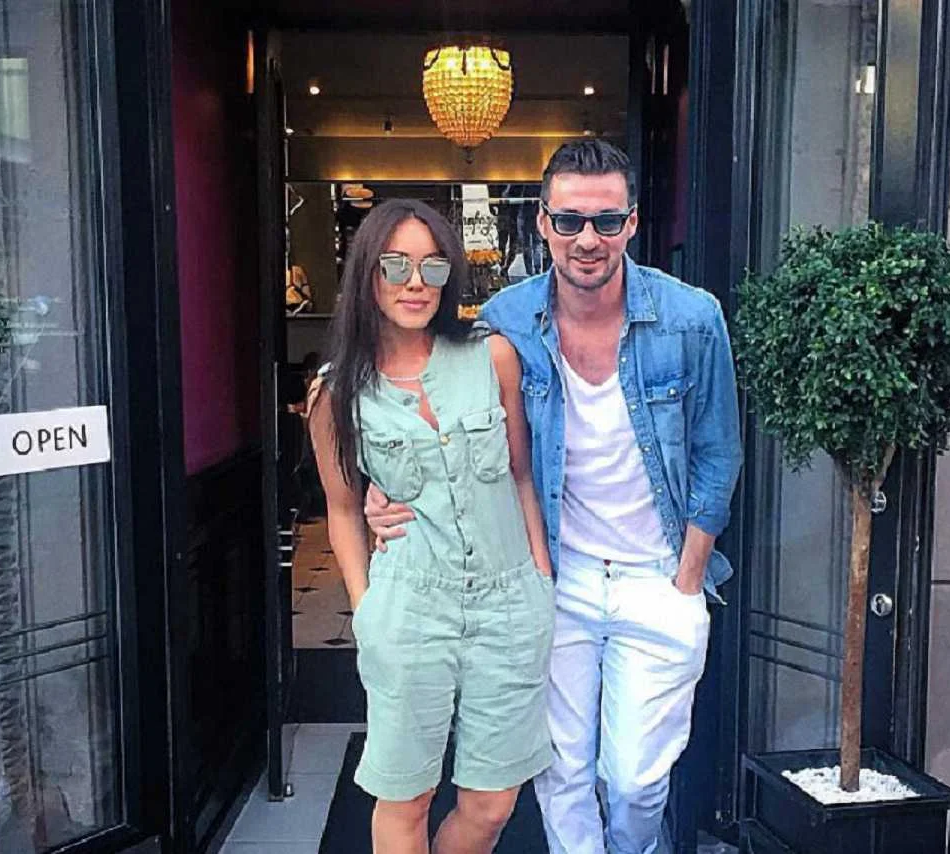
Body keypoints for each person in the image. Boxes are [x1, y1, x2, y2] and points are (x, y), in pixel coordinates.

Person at [366, 140, 743, 854]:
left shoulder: (692, 319)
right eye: (569, 221)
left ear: (632, 223)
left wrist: (690, 571)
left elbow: (719, 452)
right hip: (556, 579)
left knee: (634, 779)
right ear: (543, 223)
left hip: (657, 577)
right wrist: (379, 489)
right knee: (560, 772)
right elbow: (443, 416)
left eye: (606, 221)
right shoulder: (504, 320)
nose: (587, 240)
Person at [307, 198, 556, 854]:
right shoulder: (336, 393)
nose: (415, 282)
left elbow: (521, 476)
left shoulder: (492, 357)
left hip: (508, 608)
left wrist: (540, 578)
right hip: (410, 610)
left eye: (432, 267)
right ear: (367, 271)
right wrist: (366, 610)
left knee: (492, 803)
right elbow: (342, 508)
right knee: (406, 797)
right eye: (396, 265)